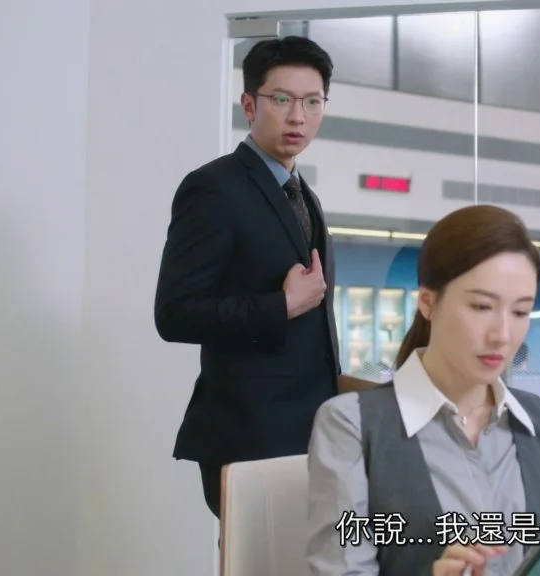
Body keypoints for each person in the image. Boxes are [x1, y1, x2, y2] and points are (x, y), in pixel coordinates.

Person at [303, 205, 540, 576]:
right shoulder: (351, 425)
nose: (502, 335)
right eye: (481, 306)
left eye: (520, 312)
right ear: (428, 302)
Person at [153, 36, 340, 519]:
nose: (298, 116)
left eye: (312, 101)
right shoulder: (213, 188)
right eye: (282, 99)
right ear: (249, 105)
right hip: (247, 436)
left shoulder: (303, 194)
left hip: (308, 436)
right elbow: (174, 314)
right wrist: (281, 306)